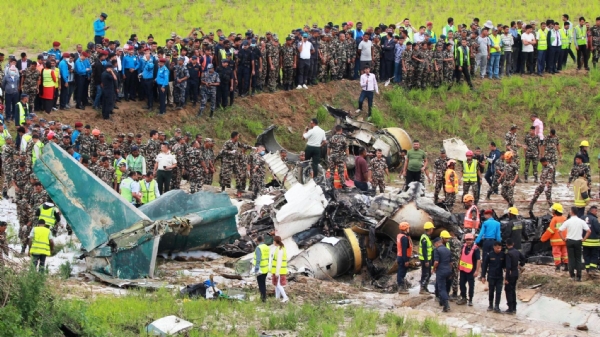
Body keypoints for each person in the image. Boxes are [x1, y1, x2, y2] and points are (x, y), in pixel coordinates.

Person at [559, 206, 592, 281]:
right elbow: (589, 231)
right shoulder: (581, 221)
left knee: (571, 258)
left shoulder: (568, 221)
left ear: (571, 212)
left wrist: (563, 239)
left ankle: (572, 275)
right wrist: (584, 239)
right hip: (578, 241)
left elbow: (559, 231)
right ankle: (579, 276)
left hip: (570, 241)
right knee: (578, 258)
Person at [540, 203, 569, 272]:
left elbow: (551, 230)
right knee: (565, 253)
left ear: (555, 211)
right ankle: (566, 266)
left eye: (553, 210)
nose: (552, 211)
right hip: (565, 240)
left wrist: (543, 238)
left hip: (556, 241)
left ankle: (558, 267)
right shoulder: (565, 218)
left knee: (556, 254)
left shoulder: (554, 219)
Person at [456, 233, 480, 306]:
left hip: (471, 271)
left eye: (470, 240)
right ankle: (463, 298)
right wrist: (458, 266)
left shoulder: (476, 249)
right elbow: (460, 256)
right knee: (461, 284)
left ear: (473, 240)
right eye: (467, 240)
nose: (468, 241)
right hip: (463, 270)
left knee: (471, 285)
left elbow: (478, 260)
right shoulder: (463, 247)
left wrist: (477, 271)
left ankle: (470, 300)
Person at [480, 241, 505, 313]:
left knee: (499, 292)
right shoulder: (489, 255)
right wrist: (483, 276)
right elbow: (484, 266)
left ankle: (497, 306)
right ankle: (490, 305)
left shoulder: (503, 255)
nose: (499, 249)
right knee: (491, 291)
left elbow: (505, 265)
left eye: (500, 248)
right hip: (491, 276)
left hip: (499, 276)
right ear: (494, 247)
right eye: (497, 248)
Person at [504, 238, 526, 314]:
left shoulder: (508, 254)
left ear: (506, 245)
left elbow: (508, 267)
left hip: (510, 274)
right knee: (513, 290)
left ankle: (510, 308)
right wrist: (520, 265)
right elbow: (524, 259)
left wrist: (506, 278)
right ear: (513, 244)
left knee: (508, 291)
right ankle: (514, 308)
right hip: (516, 273)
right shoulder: (517, 252)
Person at [432, 237, 452, 312]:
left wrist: (433, 269)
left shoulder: (437, 250)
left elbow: (436, 262)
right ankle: (442, 300)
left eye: (435, 245)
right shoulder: (447, 250)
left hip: (441, 271)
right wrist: (450, 271)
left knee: (441, 288)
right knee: (446, 286)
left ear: (437, 243)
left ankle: (446, 305)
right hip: (448, 270)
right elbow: (451, 263)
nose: (435, 246)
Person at [583, 206, 600, 277]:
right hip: (594, 242)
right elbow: (598, 230)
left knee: (586, 255)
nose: (597, 213)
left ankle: (587, 270)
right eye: (596, 211)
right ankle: (592, 269)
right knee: (594, 255)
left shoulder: (582, 218)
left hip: (585, 241)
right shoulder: (594, 220)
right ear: (593, 211)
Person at [271, 236, 289, 303]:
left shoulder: (280, 250)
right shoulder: (280, 248)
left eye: (273, 241)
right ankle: (277, 298)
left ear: (276, 242)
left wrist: (277, 272)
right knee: (277, 285)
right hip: (279, 270)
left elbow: (279, 261)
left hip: (280, 270)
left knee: (279, 285)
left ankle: (285, 297)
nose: (273, 242)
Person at [252, 235, 270, 302]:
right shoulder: (267, 247)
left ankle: (263, 299)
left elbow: (258, 259)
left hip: (260, 269)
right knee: (263, 283)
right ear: (263, 240)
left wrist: (256, 269)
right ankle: (264, 297)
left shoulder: (258, 248)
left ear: (257, 241)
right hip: (266, 268)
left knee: (261, 285)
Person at [419, 222, 435, 294]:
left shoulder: (427, 237)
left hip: (428, 258)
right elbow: (424, 250)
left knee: (428, 273)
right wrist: (426, 261)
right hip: (425, 259)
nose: (433, 230)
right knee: (425, 274)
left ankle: (424, 287)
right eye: (432, 229)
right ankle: (422, 288)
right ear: (430, 229)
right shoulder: (424, 239)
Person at [396, 222, 412, 294]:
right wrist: (406, 260)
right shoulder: (404, 238)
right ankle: (401, 288)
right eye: (408, 228)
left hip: (400, 256)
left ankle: (401, 287)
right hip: (403, 257)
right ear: (406, 229)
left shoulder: (400, 235)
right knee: (401, 273)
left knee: (400, 272)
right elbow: (404, 249)